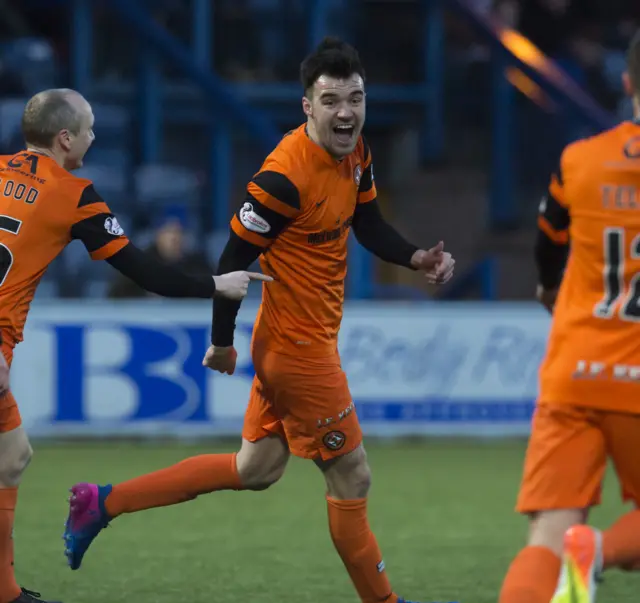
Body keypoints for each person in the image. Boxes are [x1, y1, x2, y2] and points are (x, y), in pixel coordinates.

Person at [63, 39, 455, 603]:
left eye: (355, 98)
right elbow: (230, 261)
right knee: (353, 475)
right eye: (331, 100)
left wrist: (416, 257)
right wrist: (221, 343)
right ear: (307, 106)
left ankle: (102, 503)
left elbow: (366, 222)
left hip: (305, 338)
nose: (346, 111)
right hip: (297, 350)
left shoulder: (355, 152)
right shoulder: (282, 179)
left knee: (256, 468)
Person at [0, 88, 269, 603]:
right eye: (89, 128)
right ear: (65, 138)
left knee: (11, 457)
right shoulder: (74, 194)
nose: (94, 136)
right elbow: (143, 270)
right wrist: (215, 285)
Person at [498, 31, 640, 603]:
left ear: (628, 83)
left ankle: (573, 554)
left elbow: (548, 242)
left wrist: (548, 286)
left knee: (547, 536)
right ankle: (600, 551)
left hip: (574, 368)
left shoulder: (580, 160)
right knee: (589, 542)